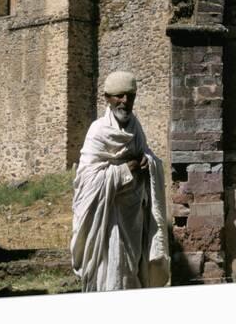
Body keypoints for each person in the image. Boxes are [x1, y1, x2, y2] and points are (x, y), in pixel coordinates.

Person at [70, 70, 169, 291]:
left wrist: (147, 162)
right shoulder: (98, 131)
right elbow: (87, 181)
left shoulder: (135, 126)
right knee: (110, 275)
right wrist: (127, 168)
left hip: (134, 218)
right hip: (106, 218)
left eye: (130, 96)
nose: (125, 101)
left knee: (132, 273)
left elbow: (149, 156)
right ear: (107, 98)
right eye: (119, 96)